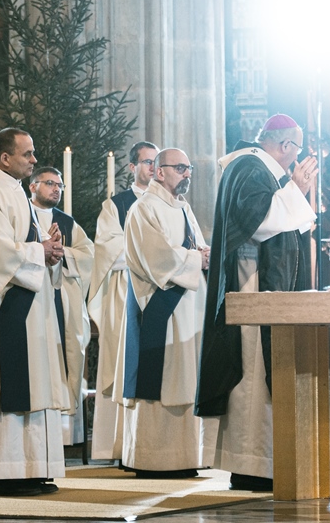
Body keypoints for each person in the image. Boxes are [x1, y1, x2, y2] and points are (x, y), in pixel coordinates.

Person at [196, 114, 318, 492]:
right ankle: (251, 466)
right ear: (284, 146)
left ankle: (261, 463)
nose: (296, 157)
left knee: (259, 376)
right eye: (296, 149)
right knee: (252, 374)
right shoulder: (249, 166)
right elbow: (261, 221)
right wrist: (296, 188)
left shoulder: (255, 167)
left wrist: (293, 191)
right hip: (251, 287)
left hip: (259, 285)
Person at [0, 128, 68, 497]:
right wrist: (40, 251)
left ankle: (32, 468)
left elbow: (25, 244)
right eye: (27, 154)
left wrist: (50, 249)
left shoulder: (17, 193)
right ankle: (4, 473)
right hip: (5, 306)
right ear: (5, 158)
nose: (34, 160)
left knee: (34, 383)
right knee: (7, 385)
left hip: (30, 306)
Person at [121, 148, 209, 477]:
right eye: (180, 168)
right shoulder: (144, 208)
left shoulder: (183, 207)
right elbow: (156, 258)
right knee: (161, 381)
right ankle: (154, 459)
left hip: (188, 309)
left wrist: (204, 254)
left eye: (189, 168)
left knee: (184, 380)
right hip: (160, 307)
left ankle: (185, 457)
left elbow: (195, 247)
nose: (187, 174)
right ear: (159, 172)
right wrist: (196, 259)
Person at [90, 140, 159, 462]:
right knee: (123, 364)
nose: (153, 168)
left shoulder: (172, 202)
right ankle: (117, 445)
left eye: (157, 162)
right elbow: (107, 250)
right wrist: (155, 254)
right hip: (125, 292)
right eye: (146, 162)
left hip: (162, 293)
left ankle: (153, 443)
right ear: (132, 167)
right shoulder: (116, 205)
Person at [28, 166, 95, 448]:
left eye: (59, 185)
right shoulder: (22, 215)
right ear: (33, 186)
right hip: (33, 300)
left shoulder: (67, 222)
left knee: (66, 354)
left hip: (63, 300)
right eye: (49, 183)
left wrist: (60, 251)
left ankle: (66, 434)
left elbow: (88, 254)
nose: (56, 189)